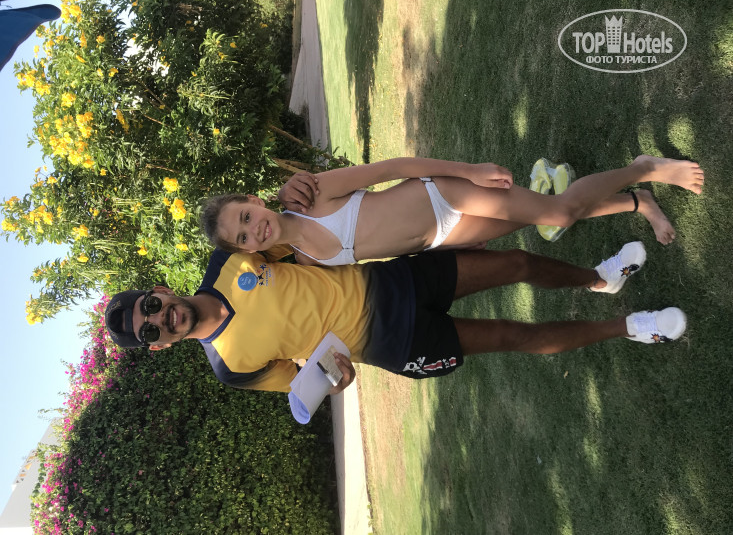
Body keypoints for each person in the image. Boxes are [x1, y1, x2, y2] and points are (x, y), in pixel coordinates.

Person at [104, 243, 687, 393]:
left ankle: (600, 277)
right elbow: (313, 382)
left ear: (158, 290)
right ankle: (632, 327)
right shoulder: (230, 367)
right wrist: (337, 377)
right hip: (396, 341)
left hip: (392, 279)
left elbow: (301, 242)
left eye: (150, 306)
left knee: (514, 262)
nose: (162, 318)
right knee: (514, 336)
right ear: (158, 345)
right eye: (151, 330)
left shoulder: (227, 260)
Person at [200, 155, 703, 266]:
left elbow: (392, 168)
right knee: (541, 216)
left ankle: (643, 168)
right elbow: (385, 248)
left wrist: (468, 172)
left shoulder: (311, 195)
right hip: (445, 235)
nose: (253, 230)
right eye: (242, 238)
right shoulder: (308, 261)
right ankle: (639, 202)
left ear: (253, 201)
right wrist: (449, 246)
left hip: (444, 196)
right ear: (246, 251)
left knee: (560, 214)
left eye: (245, 217)